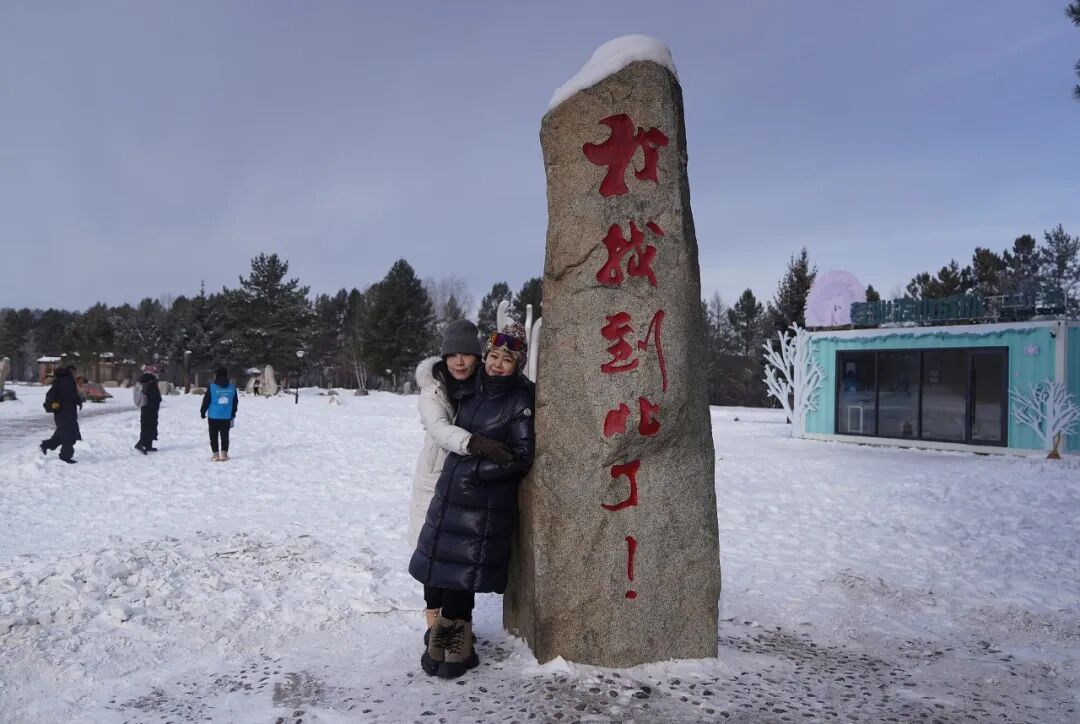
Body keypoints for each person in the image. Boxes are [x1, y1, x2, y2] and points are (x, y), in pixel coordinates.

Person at [409, 322, 535, 679]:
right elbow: (442, 430)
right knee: (441, 566)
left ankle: (454, 642)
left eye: (505, 359)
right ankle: (439, 635)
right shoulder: (454, 392)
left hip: (480, 502)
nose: (495, 363)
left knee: (462, 572)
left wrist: (476, 472)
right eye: (492, 356)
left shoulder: (516, 399)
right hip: (445, 490)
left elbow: (520, 455)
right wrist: (473, 455)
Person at [40, 365, 82, 464]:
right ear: (70, 372)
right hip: (63, 412)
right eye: (74, 372)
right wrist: (51, 405)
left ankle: (46, 445)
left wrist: (78, 401)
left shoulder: (68, 381)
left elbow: (72, 395)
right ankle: (65, 456)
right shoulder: (63, 381)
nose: (76, 374)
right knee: (69, 434)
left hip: (68, 412)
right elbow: (51, 395)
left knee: (63, 433)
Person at [201, 367, 239, 461]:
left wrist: (203, 411)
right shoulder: (232, 387)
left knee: (213, 436)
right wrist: (233, 413)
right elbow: (235, 402)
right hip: (226, 415)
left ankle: (215, 455)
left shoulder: (212, 387)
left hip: (213, 415)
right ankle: (224, 454)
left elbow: (206, 400)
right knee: (225, 435)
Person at [134, 366, 162, 454]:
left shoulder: (143, 380)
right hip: (150, 406)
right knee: (149, 424)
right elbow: (152, 394)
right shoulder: (150, 380)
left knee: (147, 424)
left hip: (145, 405)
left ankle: (148, 444)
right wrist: (158, 400)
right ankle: (141, 443)